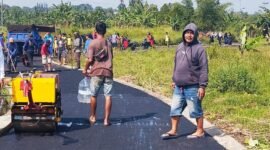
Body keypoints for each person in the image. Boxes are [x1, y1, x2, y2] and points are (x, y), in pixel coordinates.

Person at [161, 23, 208, 139]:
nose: (189, 35)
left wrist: (202, 86)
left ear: (195, 34)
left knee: (195, 109)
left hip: (192, 86)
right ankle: (174, 130)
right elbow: (177, 64)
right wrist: (174, 79)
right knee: (175, 109)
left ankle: (200, 130)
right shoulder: (179, 46)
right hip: (178, 86)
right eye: (187, 32)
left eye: (192, 33)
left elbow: (204, 68)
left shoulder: (199, 49)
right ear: (183, 34)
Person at [82, 21, 113, 126]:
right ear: (105, 31)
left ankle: (93, 116)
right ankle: (106, 120)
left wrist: (85, 69)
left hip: (96, 72)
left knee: (94, 95)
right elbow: (111, 57)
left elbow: (90, 59)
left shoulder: (93, 43)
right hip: (108, 72)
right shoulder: (109, 43)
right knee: (108, 96)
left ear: (95, 31)